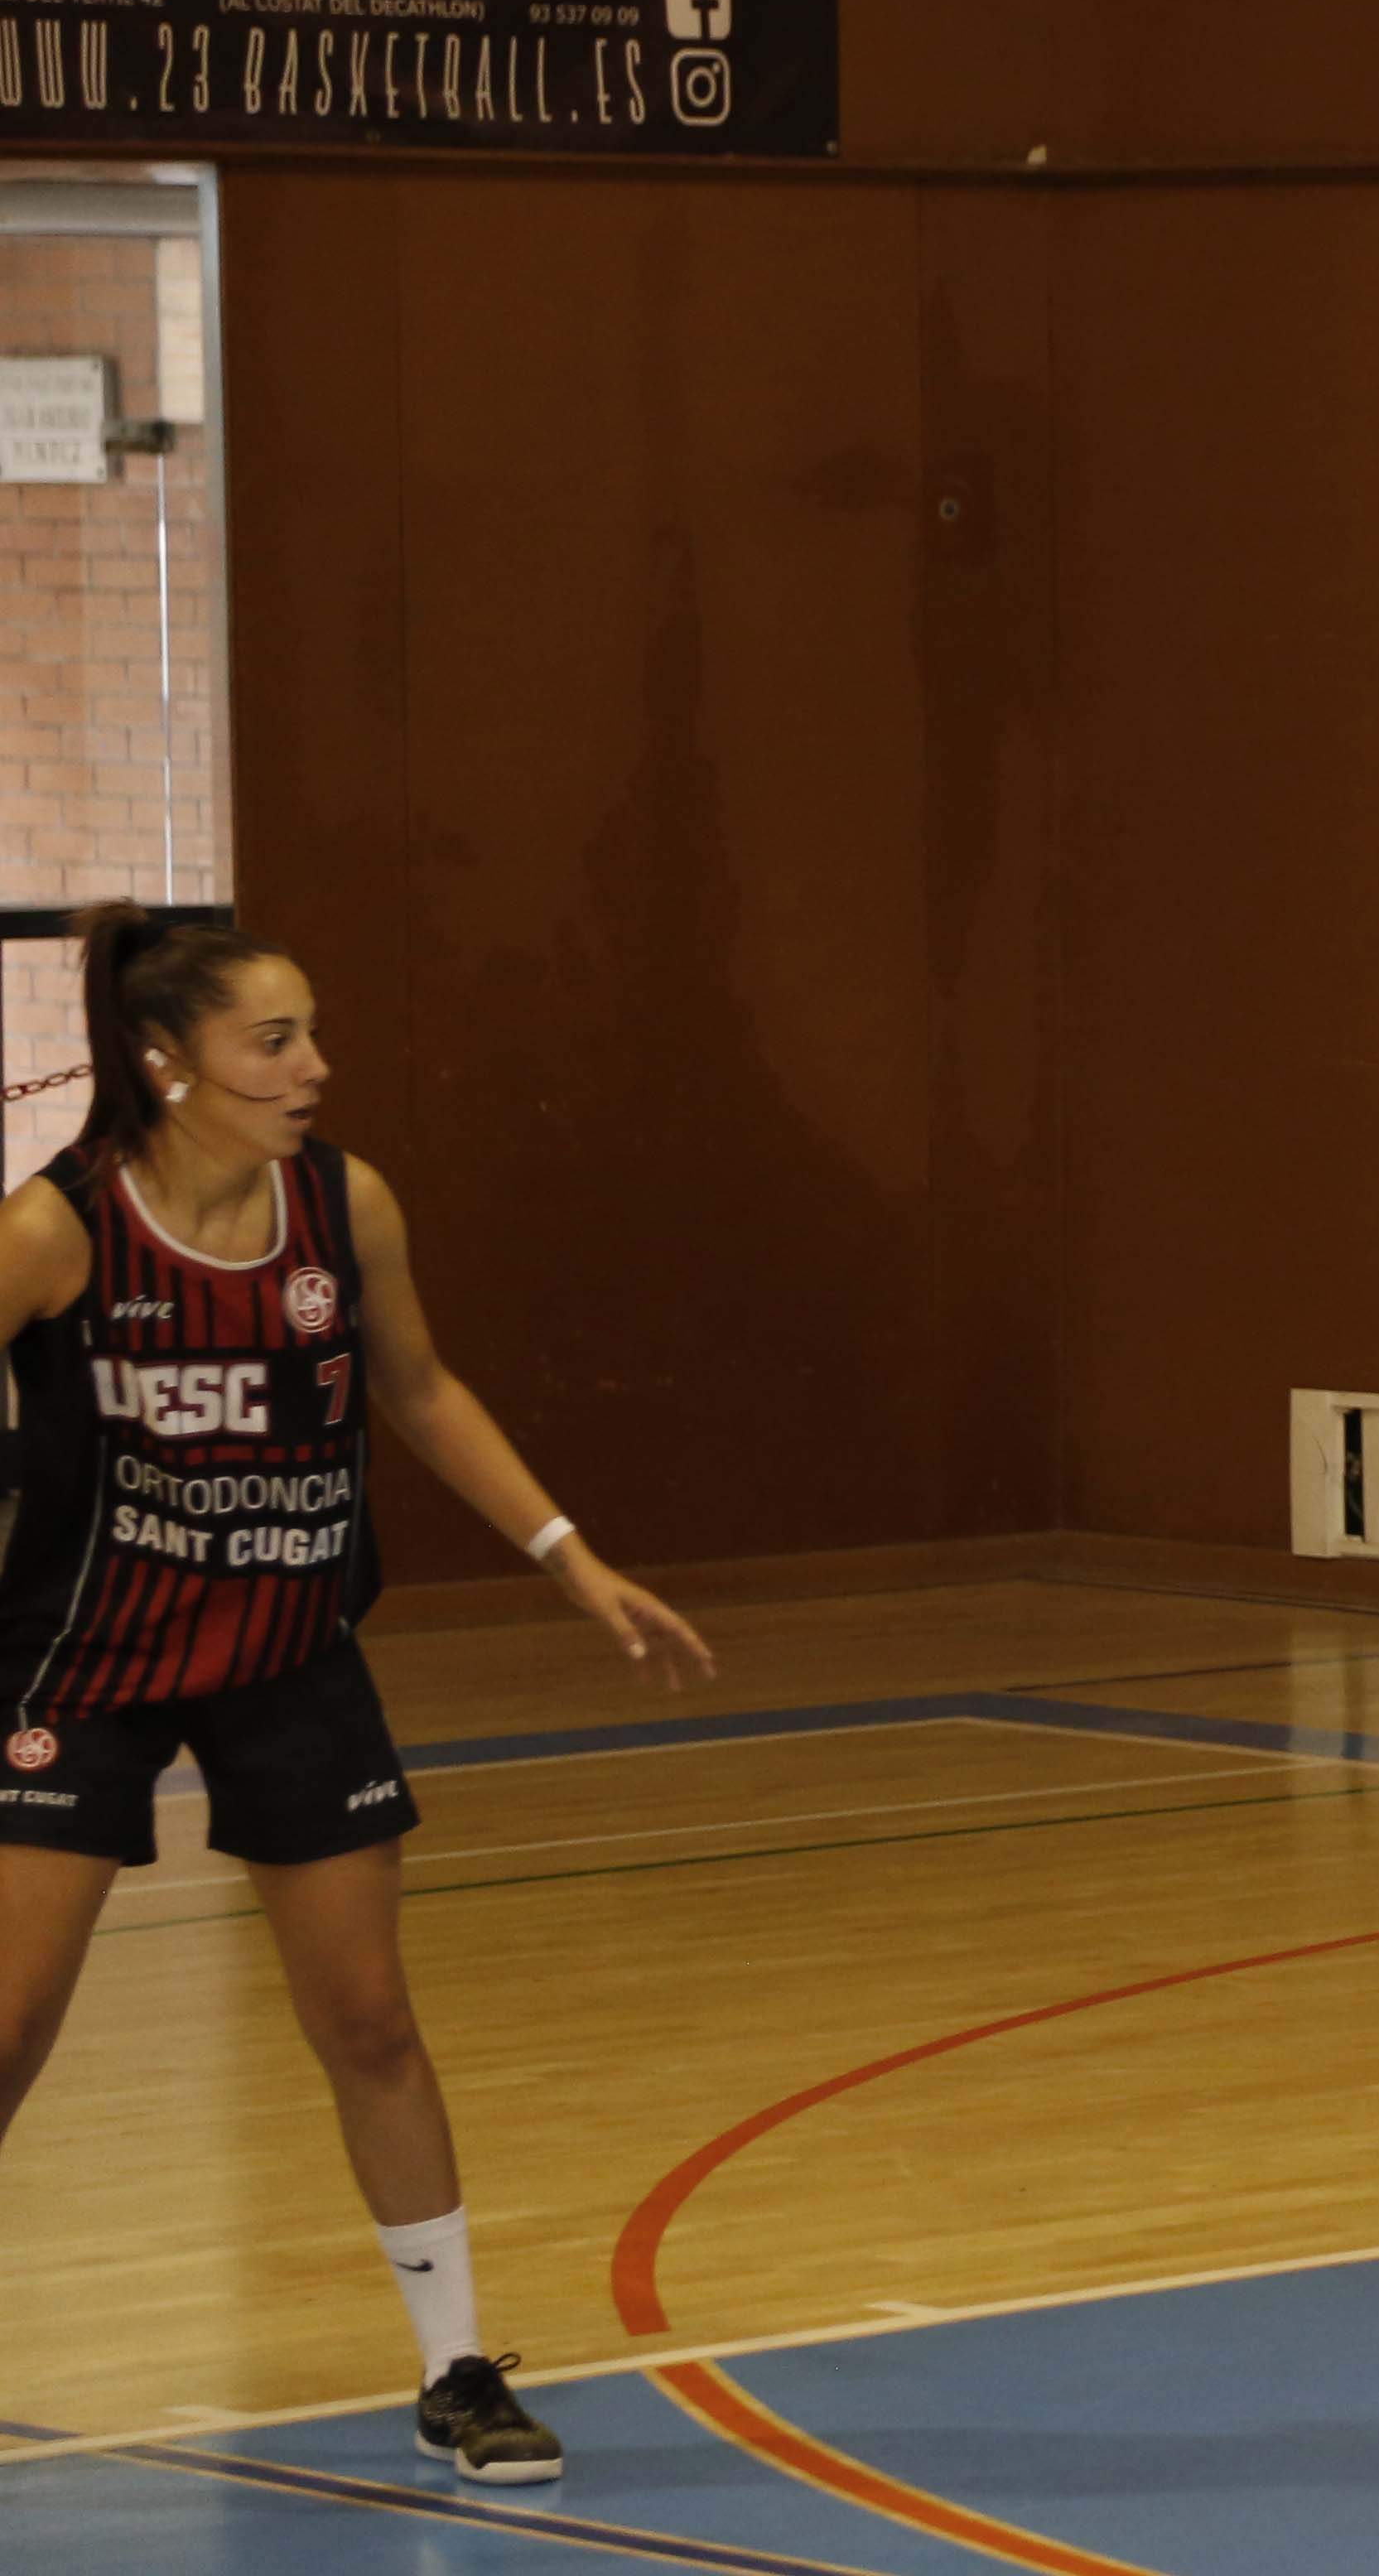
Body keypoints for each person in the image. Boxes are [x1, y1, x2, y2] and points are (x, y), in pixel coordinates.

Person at [0, 904, 717, 2482]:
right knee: (9, 2026)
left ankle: (458, 2369)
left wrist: (569, 1558)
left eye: (313, 1031)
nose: (316, 1065)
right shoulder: (57, 1230)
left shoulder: (343, 1201)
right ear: (166, 1060)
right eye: (276, 1041)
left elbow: (420, 1385)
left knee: (373, 2021)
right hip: (84, 1662)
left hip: (287, 1654)